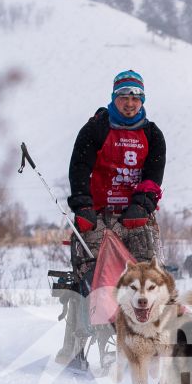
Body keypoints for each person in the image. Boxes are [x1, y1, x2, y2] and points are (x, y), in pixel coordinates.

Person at [68, 69, 166, 264]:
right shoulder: (94, 129)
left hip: (135, 218)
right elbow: (79, 169)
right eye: (123, 97)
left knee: (147, 280)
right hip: (97, 216)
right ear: (114, 98)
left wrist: (142, 205)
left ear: (142, 101)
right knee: (95, 278)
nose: (129, 104)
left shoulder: (153, 135)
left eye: (135, 98)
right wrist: (83, 206)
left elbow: (153, 177)